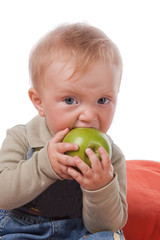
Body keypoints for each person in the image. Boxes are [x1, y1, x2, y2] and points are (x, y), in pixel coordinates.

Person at [0, 23, 127, 239]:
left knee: (110, 236)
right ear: (39, 102)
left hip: (80, 233)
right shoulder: (22, 137)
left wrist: (100, 188)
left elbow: (109, 224)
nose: (88, 115)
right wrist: (43, 165)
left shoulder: (110, 156)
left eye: (102, 100)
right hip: (23, 231)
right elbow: (3, 194)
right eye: (70, 100)